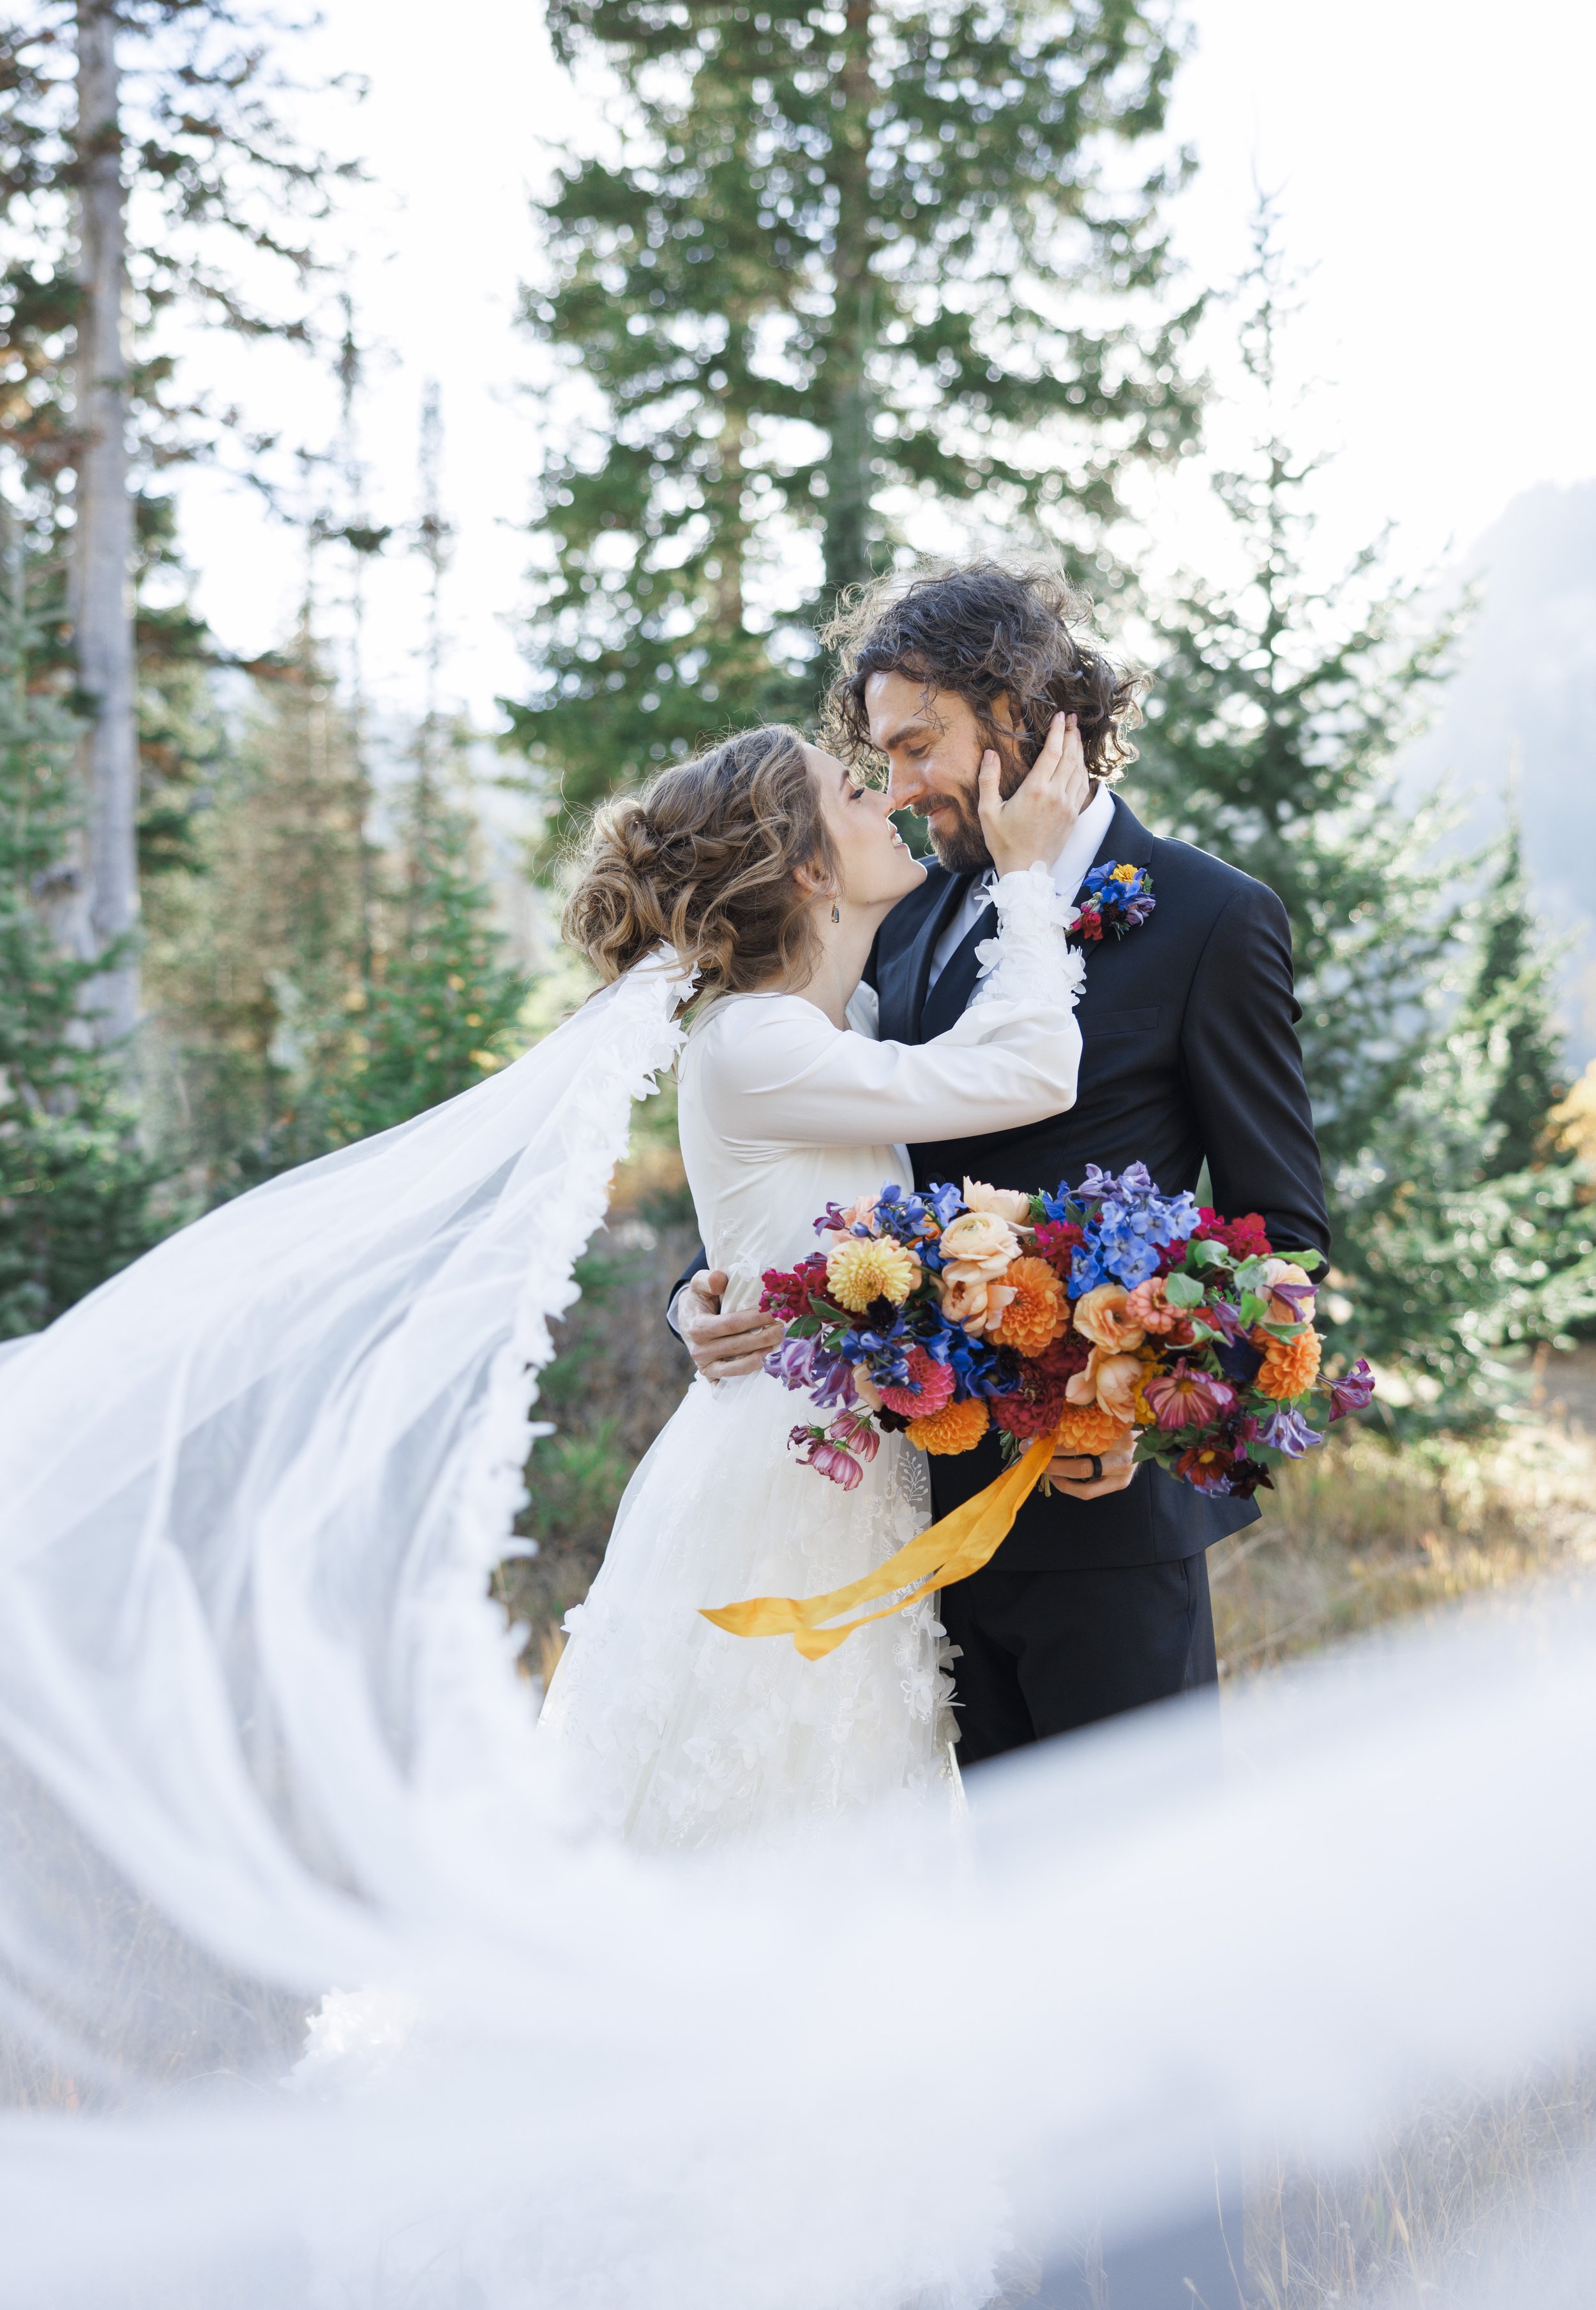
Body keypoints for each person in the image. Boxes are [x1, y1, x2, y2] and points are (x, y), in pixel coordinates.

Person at [539, 716, 1094, 1850]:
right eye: (854, 792)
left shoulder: (847, 1022)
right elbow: (1030, 1067)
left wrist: (707, 1287)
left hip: (859, 1479)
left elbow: (791, 1222)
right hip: (782, 1487)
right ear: (807, 867)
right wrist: (1029, 879)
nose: (886, 799)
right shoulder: (750, 1042)